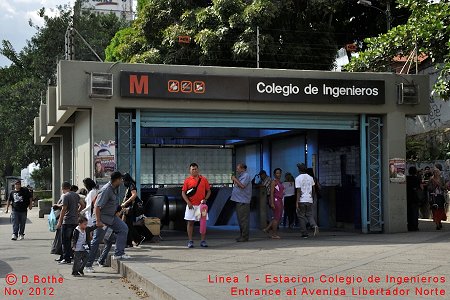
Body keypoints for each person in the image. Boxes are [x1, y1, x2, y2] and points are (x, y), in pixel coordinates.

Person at [85, 171, 130, 273]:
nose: (122, 181)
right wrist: (98, 221)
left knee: (123, 228)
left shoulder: (114, 189)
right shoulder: (106, 190)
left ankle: (119, 253)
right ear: (117, 180)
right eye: (121, 179)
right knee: (96, 241)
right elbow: (97, 207)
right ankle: (88, 265)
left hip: (111, 217)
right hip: (102, 219)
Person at [181, 163, 211, 248]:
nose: (194, 170)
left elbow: (209, 191)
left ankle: (203, 241)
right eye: (192, 169)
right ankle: (190, 241)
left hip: (202, 206)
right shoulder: (187, 180)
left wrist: (205, 199)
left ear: (198, 169)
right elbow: (183, 192)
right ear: (190, 171)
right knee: (190, 223)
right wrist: (188, 202)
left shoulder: (204, 179)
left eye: (195, 169)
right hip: (191, 206)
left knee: (203, 223)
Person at [56, 182, 85, 264]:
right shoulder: (76, 195)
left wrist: (59, 222)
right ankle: (75, 256)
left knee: (65, 240)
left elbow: (63, 209)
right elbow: (82, 205)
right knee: (74, 240)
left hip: (67, 221)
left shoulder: (65, 196)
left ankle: (66, 258)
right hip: (75, 221)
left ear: (63, 188)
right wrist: (77, 212)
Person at [121, 173, 145, 248]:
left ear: (126, 179)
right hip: (128, 208)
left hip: (130, 208)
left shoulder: (131, 185)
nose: (122, 182)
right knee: (128, 225)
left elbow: (134, 195)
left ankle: (132, 241)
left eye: (123, 180)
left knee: (127, 225)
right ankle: (136, 239)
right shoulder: (129, 186)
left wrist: (125, 203)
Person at [295, 163, 318, 238]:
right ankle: (314, 225)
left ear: (299, 170)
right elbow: (314, 190)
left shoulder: (298, 178)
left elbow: (298, 191)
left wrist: (297, 202)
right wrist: (312, 198)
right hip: (309, 199)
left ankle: (304, 233)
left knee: (301, 216)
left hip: (302, 200)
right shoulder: (311, 178)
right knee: (309, 214)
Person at [231, 163, 253, 242]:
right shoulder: (241, 176)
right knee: (240, 219)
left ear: (242, 168)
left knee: (243, 219)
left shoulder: (246, 175)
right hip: (239, 200)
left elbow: (242, 186)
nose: (237, 170)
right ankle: (242, 235)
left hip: (243, 201)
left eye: (238, 168)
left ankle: (244, 236)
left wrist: (235, 179)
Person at [264, 168, 284, 239]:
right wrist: (272, 202)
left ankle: (267, 229)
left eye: (279, 173)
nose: (278, 174)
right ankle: (274, 234)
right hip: (276, 200)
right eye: (277, 173)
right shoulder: (274, 182)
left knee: (277, 217)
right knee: (276, 218)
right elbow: (271, 193)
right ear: (274, 174)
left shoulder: (280, 182)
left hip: (280, 200)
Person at [406, 166, 421, 231]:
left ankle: (410, 226)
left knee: (409, 212)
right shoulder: (417, 178)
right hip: (415, 197)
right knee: (415, 212)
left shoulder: (407, 178)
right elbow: (419, 187)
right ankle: (415, 226)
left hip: (408, 197)